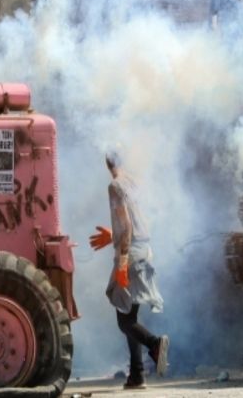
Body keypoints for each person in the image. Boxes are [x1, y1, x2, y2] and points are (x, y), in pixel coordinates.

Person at [89, 151, 169, 390]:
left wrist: (122, 263)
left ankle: (155, 344)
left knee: (124, 321)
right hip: (145, 250)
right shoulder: (135, 183)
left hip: (131, 254)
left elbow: (126, 227)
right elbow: (141, 222)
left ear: (107, 162)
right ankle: (137, 375)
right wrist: (113, 236)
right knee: (129, 315)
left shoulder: (115, 186)